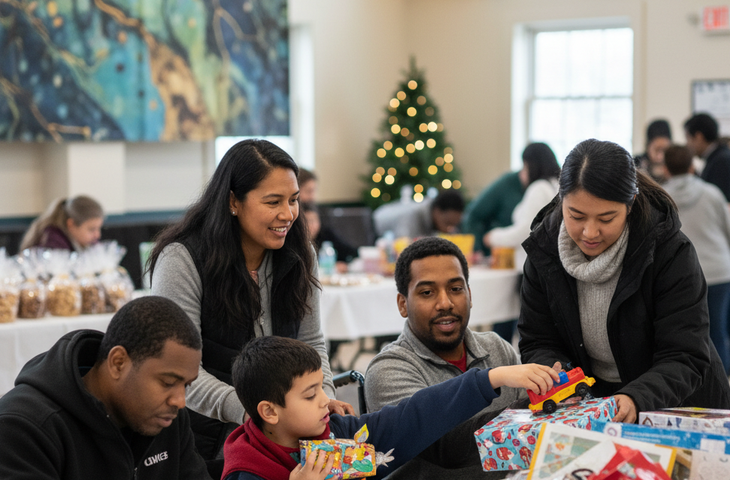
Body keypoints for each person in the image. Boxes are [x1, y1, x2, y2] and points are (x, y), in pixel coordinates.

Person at [148, 139, 352, 470]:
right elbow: (177, 370)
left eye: (294, 200)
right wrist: (248, 412)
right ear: (233, 201)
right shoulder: (182, 259)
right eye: (273, 202)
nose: (287, 215)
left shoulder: (300, 253)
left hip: (280, 434)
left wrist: (322, 396)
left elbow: (311, 342)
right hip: (200, 441)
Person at [518, 138, 730, 425]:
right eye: (576, 216)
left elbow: (684, 354)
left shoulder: (669, 251)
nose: (590, 232)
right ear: (561, 199)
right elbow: (538, 339)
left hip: (675, 404)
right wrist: (561, 379)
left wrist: (636, 397)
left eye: (606, 218)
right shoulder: (544, 251)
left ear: (630, 203)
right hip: (590, 407)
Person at [221, 336, 558, 480]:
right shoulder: (248, 472)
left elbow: (414, 416)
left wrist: (491, 378)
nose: (327, 399)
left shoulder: (340, 431)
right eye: (310, 396)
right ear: (269, 412)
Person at [365, 237, 549, 478]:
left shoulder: (496, 348)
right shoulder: (388, 370)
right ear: (403, 304)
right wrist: (496, 382)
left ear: (470, 295)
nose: (446, 303)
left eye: (455, 289)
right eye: (427, 292)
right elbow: (445, 448)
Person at [0, 296, 211, 479]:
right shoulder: (22, 428)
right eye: (167, 382)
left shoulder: (167, 419)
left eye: (186, 385)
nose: (180, 401)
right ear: (118, 362)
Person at [662, 145, 730, 374]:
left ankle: (701, 382)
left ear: (666, 169)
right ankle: (724, 383)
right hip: (720, 269)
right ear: (692, 166)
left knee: (689, 333)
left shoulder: (660, 197)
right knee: (717, 330)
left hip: (682, 274)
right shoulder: (712, 193)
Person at [685, 112, 730, 378]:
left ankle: (724, 373)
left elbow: (723, 216)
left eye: (690, 138)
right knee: (729, 313)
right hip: (723, 259)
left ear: (699, 136)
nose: (689, 145)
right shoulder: (721, 158)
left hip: (719, 257)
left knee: (717, 325)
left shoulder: (719, 163)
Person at [482, 142, 560, 342]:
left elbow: (525, 230)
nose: (521, 173)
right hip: (551, 264)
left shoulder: (538, 187)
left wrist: (494, 236)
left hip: (530, 266)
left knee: (522, 323)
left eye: (524, 166)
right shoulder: (557, 185)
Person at [462, 171, 525, 255]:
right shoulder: (507, 184)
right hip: (493, 254)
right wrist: (476, 248)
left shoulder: (538, 188)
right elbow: (474, 214)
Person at [19, 195, 103, 252]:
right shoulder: (52, 243)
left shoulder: (87, 242)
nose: (97, 235)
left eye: (98, 228)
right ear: (71, 224)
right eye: (92, 229)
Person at [372, 190, 465, 238]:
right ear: (437, 212)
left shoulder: (428, 218)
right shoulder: (413, 216)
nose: (450, 229)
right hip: (372, 230)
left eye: (454, 225)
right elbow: (402, 244)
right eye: (447, 223)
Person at [634, 119, 672, 183]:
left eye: (665, 150)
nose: (661, 157)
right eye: (657, 150)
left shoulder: (677, 164)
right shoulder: (636, 164)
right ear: (647, 147)